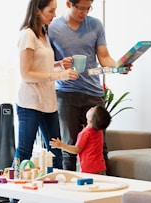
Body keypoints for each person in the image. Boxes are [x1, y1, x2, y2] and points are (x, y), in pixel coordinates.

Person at [48, 0, 121, 172]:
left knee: (100, 148)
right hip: (66, 94)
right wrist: (61, 65)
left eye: (88, 8)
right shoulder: (53, 28)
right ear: (68, 4)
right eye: (81, 8)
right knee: (69, 148)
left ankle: (106, 193)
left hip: (94, 94)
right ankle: (70, 195)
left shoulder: (95, 25)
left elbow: (104, 56)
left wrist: (118, 67)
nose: (84, 13)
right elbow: (47, 64)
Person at [16, 0, 79, 170]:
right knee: (24, 153)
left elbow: (41, 67)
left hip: (48, 103)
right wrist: (59, 75)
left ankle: (55, 194)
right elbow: (26, 73)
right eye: (51, 11)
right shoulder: (27, 35)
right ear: (38, 11)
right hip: (30, 103)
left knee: (55, 152)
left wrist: (60, 65)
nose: (54, 15)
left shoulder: (43, 33)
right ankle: (14, 197)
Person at [50, 105, 111, 174]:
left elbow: (76, 150)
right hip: (101, 167)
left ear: (90, 121)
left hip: (89, 170)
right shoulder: (99, 131)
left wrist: (61, 145)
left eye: (92, 109)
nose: (91, 107)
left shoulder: (85, 133)